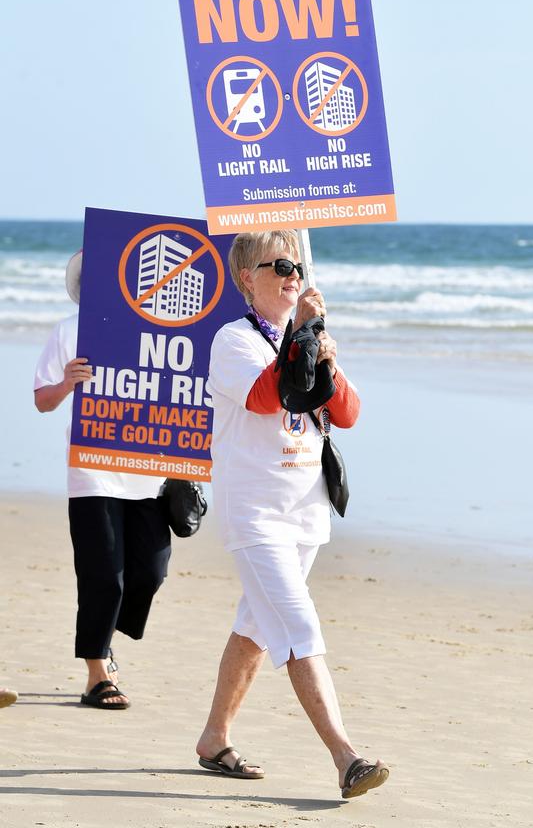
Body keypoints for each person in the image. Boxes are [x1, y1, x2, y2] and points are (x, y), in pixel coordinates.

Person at [196, 230, 389, 800]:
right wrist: (302, 335)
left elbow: (348, 413)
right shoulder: (233, 340)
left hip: (305, 512)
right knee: (299, 627)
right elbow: (266, 396)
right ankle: (346, 757)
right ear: (245, 279)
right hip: (256, 514)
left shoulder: (306, 336)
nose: (290, 273)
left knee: (255, 629)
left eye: (295, 263)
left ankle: (213, 738)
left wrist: (322, 349)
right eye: (277, 264)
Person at [33, 250, 171, 710]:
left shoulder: (160, 327)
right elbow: (42, 401)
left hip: (148, 472)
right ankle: (97, 674)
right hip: (92, 469)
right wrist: (67, 383)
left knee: (150, 572)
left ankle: (102, 636)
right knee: (102, 575)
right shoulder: (69, 330)